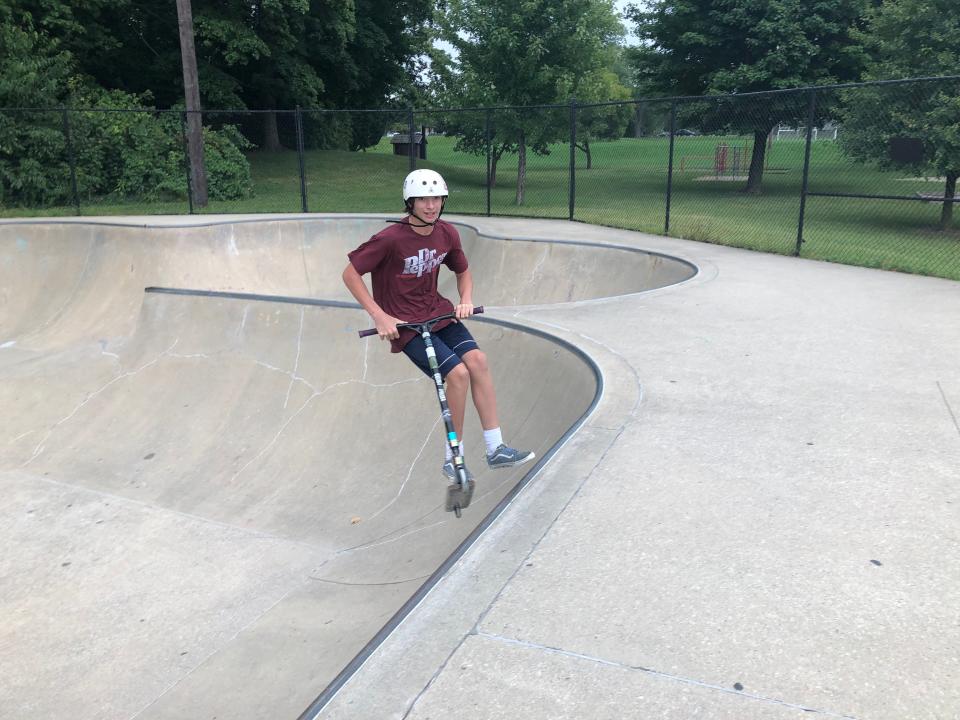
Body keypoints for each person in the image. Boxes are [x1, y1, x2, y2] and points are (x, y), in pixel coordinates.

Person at [342, 168, 534, 481]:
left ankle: (495, 448)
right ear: (410, 202)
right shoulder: (389, 239)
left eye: (436, 199)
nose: (430, 206)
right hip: (406, 325)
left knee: (478, 362)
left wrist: (466, 298)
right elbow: (350, 274)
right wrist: (379, 315)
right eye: (423, 200)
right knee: (457, 375)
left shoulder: (447, 233)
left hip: (438, 313)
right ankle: (453, 459)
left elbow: (463, 271)